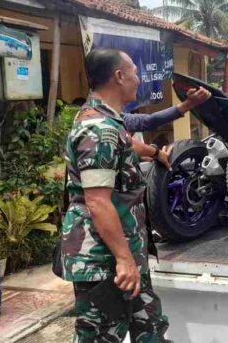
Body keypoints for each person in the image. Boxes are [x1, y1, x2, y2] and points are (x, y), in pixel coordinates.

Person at [61, 47, 170, 342]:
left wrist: (155, 153)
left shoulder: (107, 122)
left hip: (124, 252)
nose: (139, 78)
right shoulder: (98, 129)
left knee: (150, 326)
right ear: (119, 76)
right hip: (104, 260)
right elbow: (97, 200)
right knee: (101, 335)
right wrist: (123, 260)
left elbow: (124, 146)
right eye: (135, 71)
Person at [122, 87, 211, 133]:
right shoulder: (110, 119)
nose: (138, 81)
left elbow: (148, 120)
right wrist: (155, 152)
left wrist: (188, 104)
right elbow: (148, 121)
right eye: (134, 73)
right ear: (119, 76)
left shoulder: (117, 118)